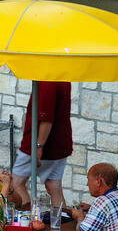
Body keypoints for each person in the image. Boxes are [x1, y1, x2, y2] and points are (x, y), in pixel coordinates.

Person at [9, 81, 73, 216]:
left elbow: (46, 118)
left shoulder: (47, 80)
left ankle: (31, 218)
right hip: (59, 143)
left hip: (38, 143)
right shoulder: (63, 77)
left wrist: (38, 146)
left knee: (16, 183)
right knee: (54, 188)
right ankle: (60, 227)